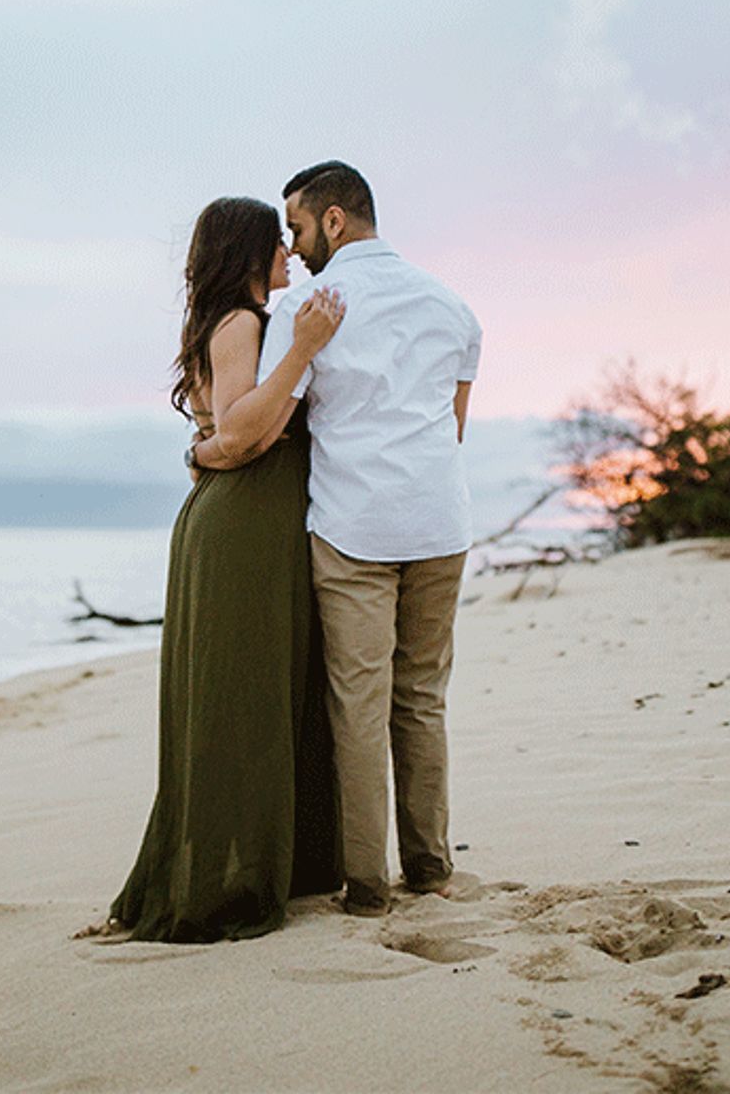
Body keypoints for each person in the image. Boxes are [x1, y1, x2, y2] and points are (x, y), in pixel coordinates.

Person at [194, 162, 481, 917]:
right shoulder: (454, 308)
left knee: (359, 704)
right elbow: (452, 426)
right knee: (422, 697)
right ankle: (430, 867)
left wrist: (207, 448)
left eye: (295, 227)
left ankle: (367, 884)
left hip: (354, 528)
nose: (291, 245)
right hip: (440, 523)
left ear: (333, 220)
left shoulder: (306, 310)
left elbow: (266, 429)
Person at [74, 196, 346, 943]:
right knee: (242, 701)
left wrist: (205, 450)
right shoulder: (242, 324)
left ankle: (279, 864)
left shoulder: (233, 323)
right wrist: (305, 349)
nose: (289, 253)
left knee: (265, 692)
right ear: (250, 252)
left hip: (248, 520)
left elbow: (221, 440)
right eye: (278, 242)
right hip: (243, 527)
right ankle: (225, 884)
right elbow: (241, 432)